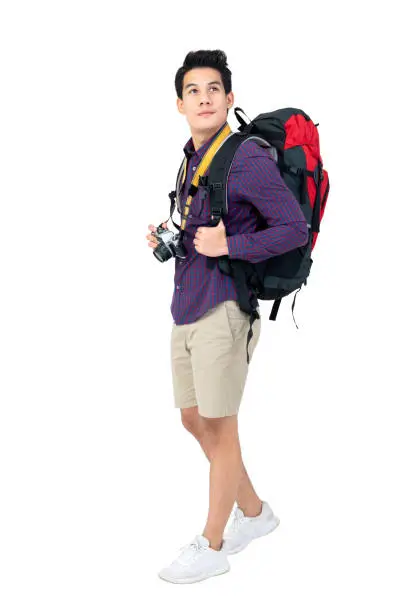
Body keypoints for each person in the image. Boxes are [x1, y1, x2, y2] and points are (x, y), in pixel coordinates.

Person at [146, 50, 309, 584]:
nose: (204, 98)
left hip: (224, 308)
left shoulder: (247, 157)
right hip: (186, 304)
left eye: (213, 89)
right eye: (193, 91)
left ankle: (212, 545)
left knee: (221, 425)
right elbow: (201, 220)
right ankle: (257, 514)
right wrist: (170, 236)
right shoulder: (192, 157)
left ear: (230, 98)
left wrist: (229, 244)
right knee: (194, 419)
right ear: (180, 103)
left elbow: (293, 228)